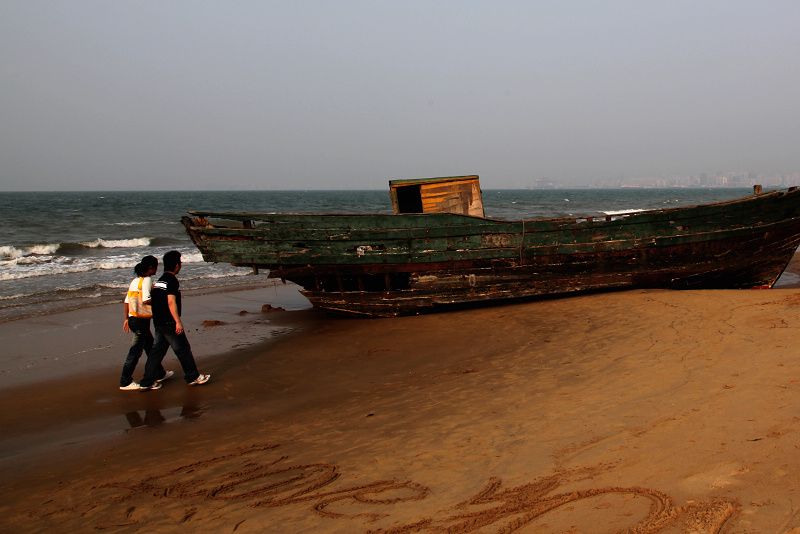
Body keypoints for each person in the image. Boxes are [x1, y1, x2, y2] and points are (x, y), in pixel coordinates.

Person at [139, 250, 210, 390]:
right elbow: (171, 302)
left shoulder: (160, 281)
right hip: (169, 323)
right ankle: (193, 377)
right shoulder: (172, 281)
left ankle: (146, 382)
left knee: (156, 352)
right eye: (180, 263)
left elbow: (157, 301)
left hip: (159, 322)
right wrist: (177, 321)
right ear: (177, 266)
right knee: (183, 350)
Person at [120, 256, 173, 390]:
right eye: (156, 266)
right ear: (150, 268)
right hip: (140, 321)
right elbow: (146, 299)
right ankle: (125, 381)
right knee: (135, 352)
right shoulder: (147, 280)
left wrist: (126, 319)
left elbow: (127, 301)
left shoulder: (135, 281)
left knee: (150, 347)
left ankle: (160, 373)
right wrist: (162, 302)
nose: (157, 269)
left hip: (134, 319)